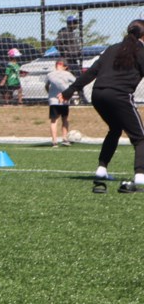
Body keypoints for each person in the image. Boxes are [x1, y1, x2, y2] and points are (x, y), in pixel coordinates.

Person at [61, 19, 144, 193]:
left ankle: (101, 170)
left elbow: (92, 72)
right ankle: (140, 177)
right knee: (140, 138)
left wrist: (69, 91)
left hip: (98, 95)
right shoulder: (141, 52)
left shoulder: (112, 48)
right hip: (119, 96)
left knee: (115, 129)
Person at [45, 58, 76, 147]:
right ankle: (65, 139)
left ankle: (54, 141)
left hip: (53, 101)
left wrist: (50, 95)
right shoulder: (67, 74)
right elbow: (76, 83)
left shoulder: (50, 74)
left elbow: (46, 86)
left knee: (54, 120)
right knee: (65, 119)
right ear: (65, 66)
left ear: (56, 65)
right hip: (64, 100)